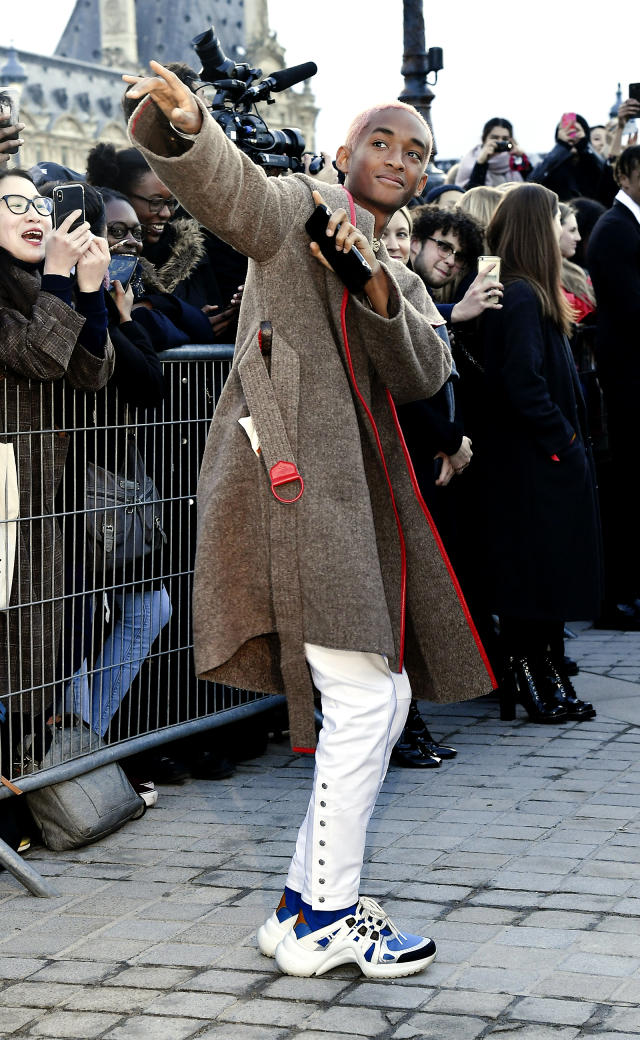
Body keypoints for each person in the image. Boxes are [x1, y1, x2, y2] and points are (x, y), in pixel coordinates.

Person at [124, 61, 494, 980]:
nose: (401, 161)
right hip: (287, 484)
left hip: (350, 506)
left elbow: (422, 376)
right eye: (384, 141)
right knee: (369, 698)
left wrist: (374, 287)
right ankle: (327, 915)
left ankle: (299, 909)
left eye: (419, 153)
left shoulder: (396, 272)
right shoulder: (294, 205)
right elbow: (232, 194)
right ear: (343, 151)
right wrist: (192, 128)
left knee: (385, 695)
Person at [478, 183, 600, 723]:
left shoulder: (529, 291)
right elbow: (521, 382)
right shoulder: (522, 294)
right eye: (556, 220)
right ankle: (529, 680)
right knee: (532, 578)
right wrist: (564, 439)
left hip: (538, 458)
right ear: (536, 228)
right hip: (532, 462)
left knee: (543, 576)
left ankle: (542, 677)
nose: (562, 229)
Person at [0, 169, 114, 729]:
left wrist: (88, 288)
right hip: (5, 491)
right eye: (13, 203)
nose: (34, 214)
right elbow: (40, 356)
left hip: (38, 490)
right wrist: (57, 277)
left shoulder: (42, 283)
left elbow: (92, 373)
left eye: (40, 205)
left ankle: (20, 777)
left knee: (33, 646)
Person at [588, 146, 640, 629]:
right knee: (626, 489)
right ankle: (620, 597)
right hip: (627, 383)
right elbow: (630, 309)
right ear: (623, 175)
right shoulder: (614, 229)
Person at [529, 113, 617, 206]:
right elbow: (532, 183)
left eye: (576, 131)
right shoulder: (552, 163)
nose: (572, 135)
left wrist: (583, 146)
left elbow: (607, 182)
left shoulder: (593, 163)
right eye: (567, 131)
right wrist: (562, 146)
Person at [456, 118, 532, 190]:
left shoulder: (514, 162)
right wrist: (480, 163)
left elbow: (532, 186)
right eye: (495, 138)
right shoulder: (470, 162)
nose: (500, 142)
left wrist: (521, 157)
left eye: (505, 139)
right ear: (484, 139)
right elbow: (470, 195)